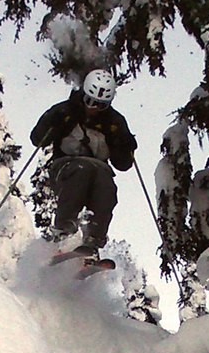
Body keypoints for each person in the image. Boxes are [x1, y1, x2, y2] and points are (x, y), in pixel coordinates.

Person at [30, 70, 137, 256]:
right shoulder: (66, 111)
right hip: (66, 166)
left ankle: (93, 240)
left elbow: (123, 165)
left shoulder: (115, 123)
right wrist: (50, 123)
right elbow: (37, 139)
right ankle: (63, 230)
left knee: (106, 185)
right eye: (90, 101)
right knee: (83, 170)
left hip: (99, 170)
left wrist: (124, 145)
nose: (93, 108)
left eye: (100, 105)